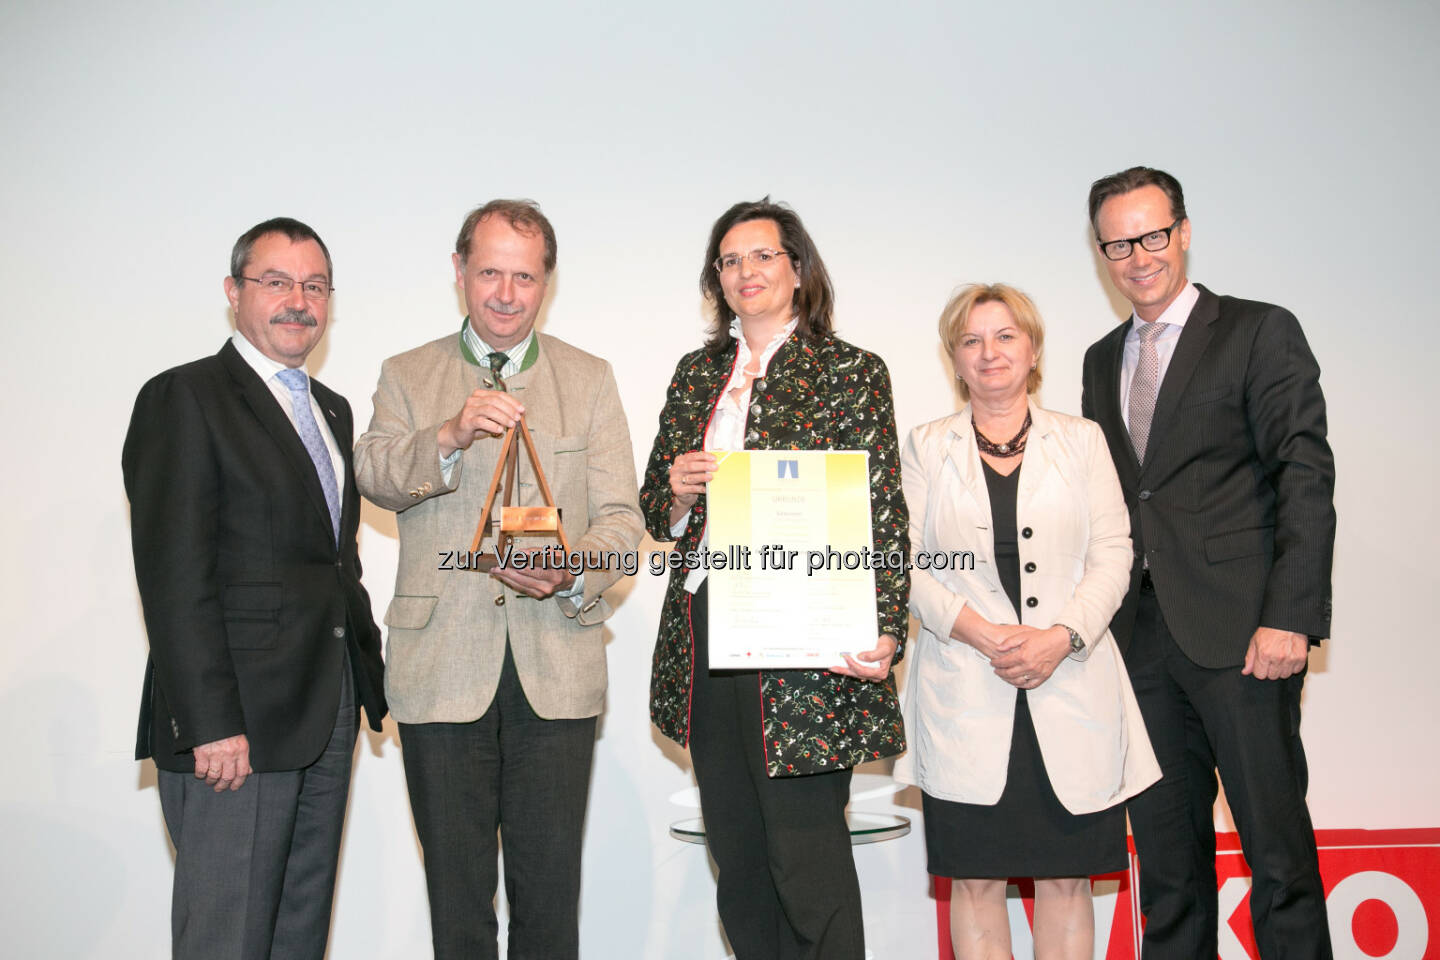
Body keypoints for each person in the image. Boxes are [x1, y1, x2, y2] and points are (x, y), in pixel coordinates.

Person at [353, 199, 643, 960]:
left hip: (557, 667)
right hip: (440, 666)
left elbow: (623, 521)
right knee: (458, 902)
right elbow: (374, 474)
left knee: (549, 902)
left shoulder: (589, 378)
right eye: (489, 274)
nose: (506, 295)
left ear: (547, 281)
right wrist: (448, 434)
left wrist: (572, 569)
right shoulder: (407, 374)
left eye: (525, 277)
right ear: (459, 271)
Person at [640, 198, 908, 960]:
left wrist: (888, 625)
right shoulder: (696, 375)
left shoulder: (850, 371)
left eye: (762, 255)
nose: (745, 271)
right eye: (729, 260)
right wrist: (677, 490)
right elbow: (655, 509)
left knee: (806, 860)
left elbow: (882, 509)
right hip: (706, 632)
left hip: (804, 637)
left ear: (797, 269)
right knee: (741, 863)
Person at [1080, 166, 1337, 958]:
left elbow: (1304, 474)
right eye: (1119, 244)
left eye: (1153, 235)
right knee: (1168, 873)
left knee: (1278, 859)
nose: (1139, 257)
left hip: (1245, 637)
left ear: (1184, 232)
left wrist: (1290, 616)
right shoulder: (1099, 360)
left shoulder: (1259, 331)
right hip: (1139, 644)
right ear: (1101, 253)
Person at [122, 217, 388, 960]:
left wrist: (364, 677)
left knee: (298, 934)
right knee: (226, 939)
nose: (298, 301)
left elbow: (333, 563)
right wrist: (210, 723)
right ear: (234, 292)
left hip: (324, 711)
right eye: (276, 282)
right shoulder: (184, 397)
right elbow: (173, 578)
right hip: (233, 727)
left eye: (314, 286)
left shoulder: (331, 409)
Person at [894, 283, 1159, 959]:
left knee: (1067, 881)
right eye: (972, 340)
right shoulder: (926, 446)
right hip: (965, 685)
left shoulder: (1083, 440)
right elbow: (905, 562)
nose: (990, 352)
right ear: (955, 358)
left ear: (1033, 350)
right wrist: (981, 633)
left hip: (1068, 683)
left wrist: (1060, 638)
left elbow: (1114, 553)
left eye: (1006, 336)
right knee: (975, 882)